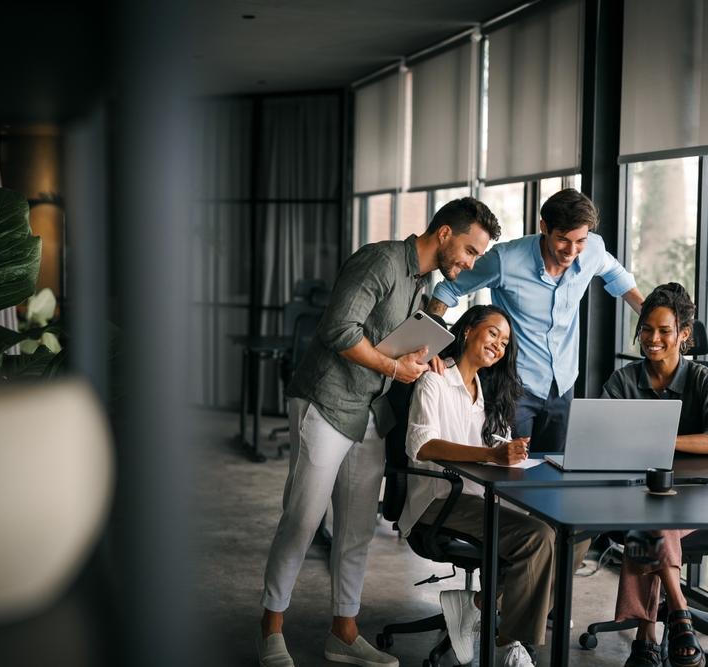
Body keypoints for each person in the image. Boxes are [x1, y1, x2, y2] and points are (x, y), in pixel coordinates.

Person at [257, 198, 501, 667]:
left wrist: (422, 355)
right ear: (445, 234)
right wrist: (394, 365)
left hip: (370, 410)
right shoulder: (381, 260)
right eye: (470, 251)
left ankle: (343, 634)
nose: (472, 264)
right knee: (303, 520)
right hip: (325, 402)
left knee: (356, 529)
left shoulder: (423, 281)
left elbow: (397, 336)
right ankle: (270, 629)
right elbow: (338, 329)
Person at [398, 304, 588, 667]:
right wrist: (491, 454)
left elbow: (493, 451)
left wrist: (510, 453)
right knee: (537, 538)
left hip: (480, 495)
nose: (499, 346)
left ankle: (479, 605)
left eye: (505, 343)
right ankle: (508, 642)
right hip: (440, 498)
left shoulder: (484, 391)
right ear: (468, 330)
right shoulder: (434, 379)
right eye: (493, 334)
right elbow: (421, 445)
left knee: (572, 530)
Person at [426, 188, 643, 453]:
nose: (572, 250)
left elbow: (617, 276)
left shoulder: (592, 250)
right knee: (511, 472)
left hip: (563, 384)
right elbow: (448, 289)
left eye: (580, 241)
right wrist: (429, 345)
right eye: (563, 239)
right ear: (544, 227)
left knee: (553, 471)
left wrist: (649, 316)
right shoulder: (505, 261)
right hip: (514, 385)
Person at [601, 282, 708, 667]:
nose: (652, 339)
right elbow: (600, 433)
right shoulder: (624, 381)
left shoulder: (704, 380)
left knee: (649, 524)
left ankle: (646, 638)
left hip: (699, 502)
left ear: (684, 335)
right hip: (634, 499)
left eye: (664, 331)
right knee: (650, 518)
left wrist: (664, 438)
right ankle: (678, 611)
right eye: (647, 329)